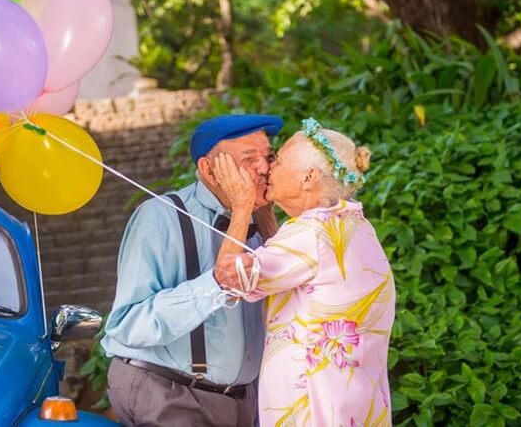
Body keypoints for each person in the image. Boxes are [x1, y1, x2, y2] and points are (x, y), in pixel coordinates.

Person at [101, 114, 283, 427]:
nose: (264, 168)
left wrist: (262, 217)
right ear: (209, 169)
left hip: (243, 398)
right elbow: (128, 325)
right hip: (169, 392)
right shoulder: (160, 217)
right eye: (248, 158)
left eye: (267, 157)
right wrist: (239, 215)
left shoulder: (259, 219)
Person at [213, 118, 395, 426]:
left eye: (278, 160)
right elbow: (288, 268)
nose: (268, 168)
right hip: (355, 406)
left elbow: (229, 278)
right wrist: (266, 211)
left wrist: (241, 206)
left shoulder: (310, 233)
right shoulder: (354, 226)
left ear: (309, 177)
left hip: (315, 409)